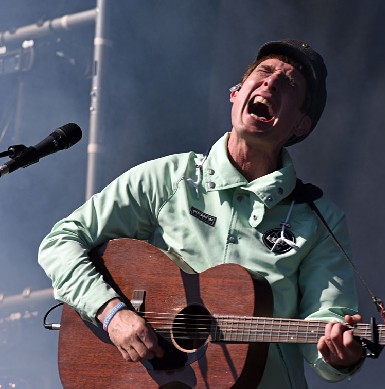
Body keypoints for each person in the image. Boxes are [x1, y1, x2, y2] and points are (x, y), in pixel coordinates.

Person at [38, 39, 364, 387]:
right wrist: (112, 313)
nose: (271, 83)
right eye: (264, 72)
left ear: (300, 125)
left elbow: (328, 328)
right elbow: (60, 242)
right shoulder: (168, 178)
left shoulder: (318, 221)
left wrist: (339, 355)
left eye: (290, 84)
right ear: (235, 94)